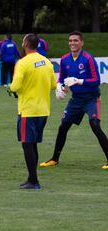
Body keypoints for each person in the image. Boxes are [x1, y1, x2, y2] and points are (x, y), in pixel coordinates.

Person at [40, 31, 108, 169]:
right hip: (76, 100)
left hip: (91, 99)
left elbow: (97, 81)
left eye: (76, 40)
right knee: (63, 127)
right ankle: (54, 159)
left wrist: (79, 81)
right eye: (70, 41)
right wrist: (60, 88)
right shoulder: (65, 59)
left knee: (95, 125)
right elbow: (62, 79)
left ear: (81, 42)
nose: (72, 43)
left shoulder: (88, 58)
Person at [8, 34, 56, 189]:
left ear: (26, 44)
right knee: (32, 144)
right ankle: (32, 177)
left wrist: (9, 88)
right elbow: (53, 85)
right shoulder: (47, 62)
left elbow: (15, 87)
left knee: (27, 145)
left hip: (28, 110)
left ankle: (34, 181)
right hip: (43, 110)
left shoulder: (22, 63)